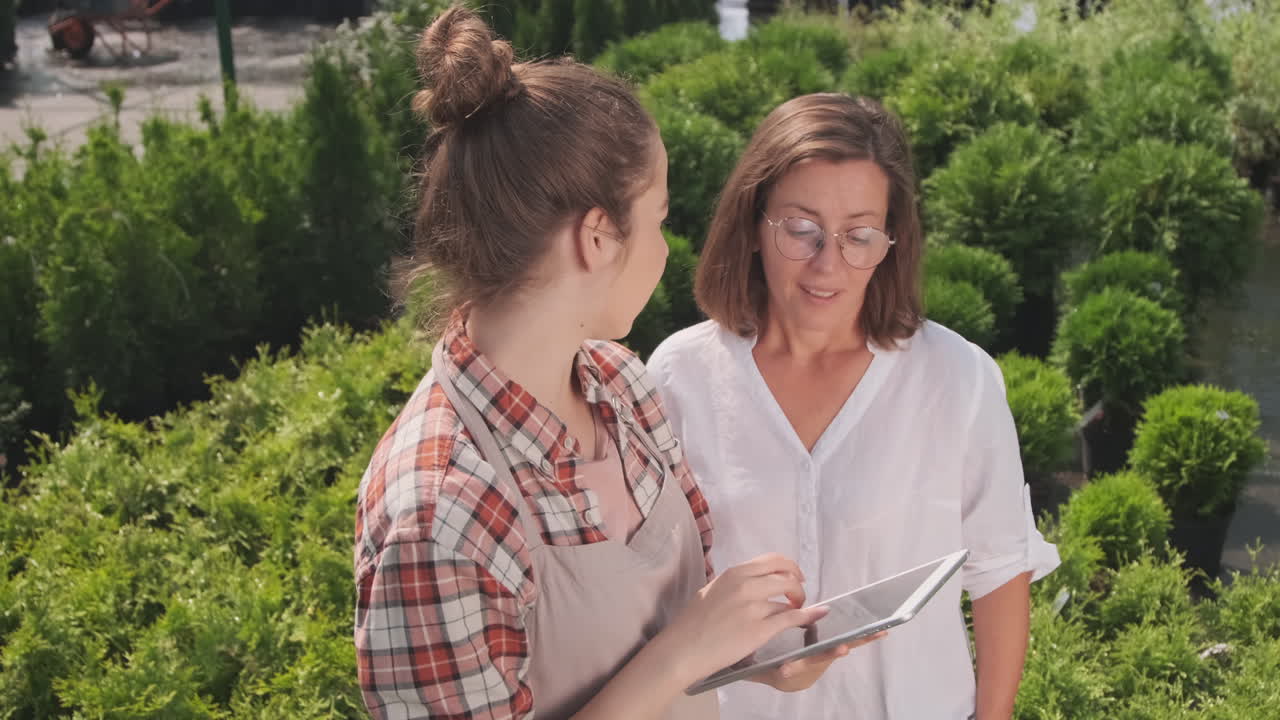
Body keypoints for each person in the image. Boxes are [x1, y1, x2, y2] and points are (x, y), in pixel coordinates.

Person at [353, 10, 877, 720]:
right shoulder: (441, 513)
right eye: (658, 218)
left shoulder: (619, 385)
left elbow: (666, 623)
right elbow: (670, 653)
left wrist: (751, 648)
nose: (666, 248)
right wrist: (685, 653)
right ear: (597, 237)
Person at [646, 93, 1061, 720]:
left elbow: (1000, 569)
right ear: (754, 224)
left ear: (892, 240)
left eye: (859, 235)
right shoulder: (679, 376)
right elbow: (653, 587)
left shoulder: (959, 378)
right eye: (802, 230)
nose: (828, 264)